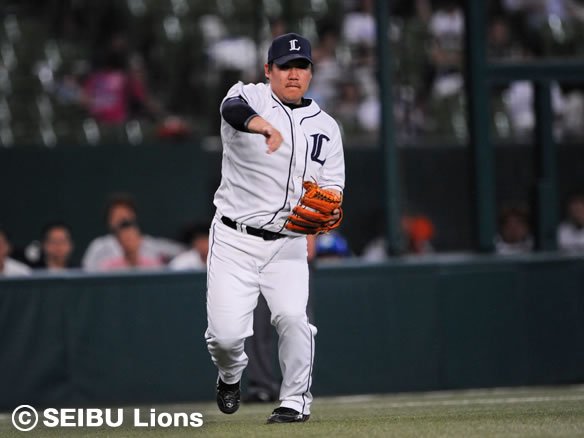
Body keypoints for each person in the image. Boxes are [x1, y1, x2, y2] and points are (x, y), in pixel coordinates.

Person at [205, 32, 345, 424]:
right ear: (269, 70)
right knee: (225, 338)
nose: (293, 73)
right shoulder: (249, 96)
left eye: (301, 66)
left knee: (294, 318)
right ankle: (230, 376)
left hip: (288, 242)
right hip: (234, 239)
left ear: (311, 73)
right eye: (285, 66)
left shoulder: (327, 127)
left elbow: (333, 186)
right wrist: (262, 126)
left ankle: (295, 401)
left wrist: (325, 214)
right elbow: (231, 109)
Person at [82, 193, 184, 271]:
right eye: (117, 215)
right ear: (109, 219)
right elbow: (87, 273)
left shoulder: (149, 244)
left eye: (125, 214)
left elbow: (181, 253)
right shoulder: (99, 246)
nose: (122, 218)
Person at [99, 220, 163, 271]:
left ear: (140, 239)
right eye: (125, 239)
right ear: (119, 242)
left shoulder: (152, 266)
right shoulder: (109, 267)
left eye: (131, 238)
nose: (129, 242)